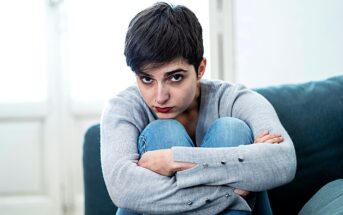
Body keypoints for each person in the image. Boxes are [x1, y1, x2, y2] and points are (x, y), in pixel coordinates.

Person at [100, 2, 296, 215]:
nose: (160, 96)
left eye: (175, 77)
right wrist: (231, 189)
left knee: (231, 129)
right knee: (162, 131)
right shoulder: (123, 108)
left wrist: (176, 160)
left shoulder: (234, 99)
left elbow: (283, 161)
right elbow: (123, 188)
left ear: (200, 68)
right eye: (146, 79)